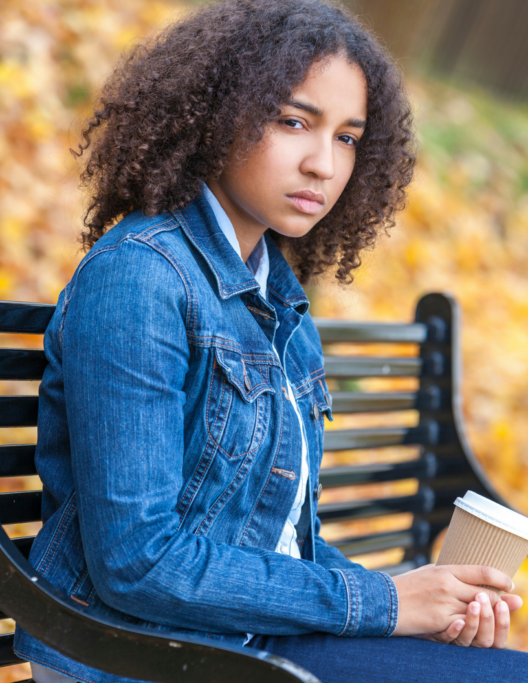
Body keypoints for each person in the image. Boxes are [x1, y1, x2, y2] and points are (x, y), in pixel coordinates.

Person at [14, 1, 527, 682]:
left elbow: (282, 543)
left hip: (245, 638)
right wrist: (384, 600)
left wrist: (432, 597)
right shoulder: (138, 276)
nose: (324, 164)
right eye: (294, 122)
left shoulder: (275, 296)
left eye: (348, 137)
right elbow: (137, 561)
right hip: (141, 653)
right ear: (215, 113)